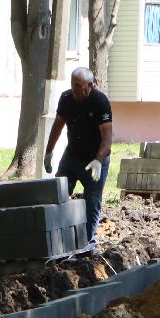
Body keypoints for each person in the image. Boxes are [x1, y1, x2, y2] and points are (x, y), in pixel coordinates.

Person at [44, 66, 115, 239]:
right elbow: (58, 125)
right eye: (73, 84)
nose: (75, 89)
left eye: (78, 85)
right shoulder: (66, 98)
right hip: (72, 156)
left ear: (90, 85)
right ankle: (57, 238)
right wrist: (49, 151)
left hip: (95, 159)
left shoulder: (100, 101)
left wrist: (98, 160)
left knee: (92, 200)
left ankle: (88, 243)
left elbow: (107, 137)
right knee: (58, 193)